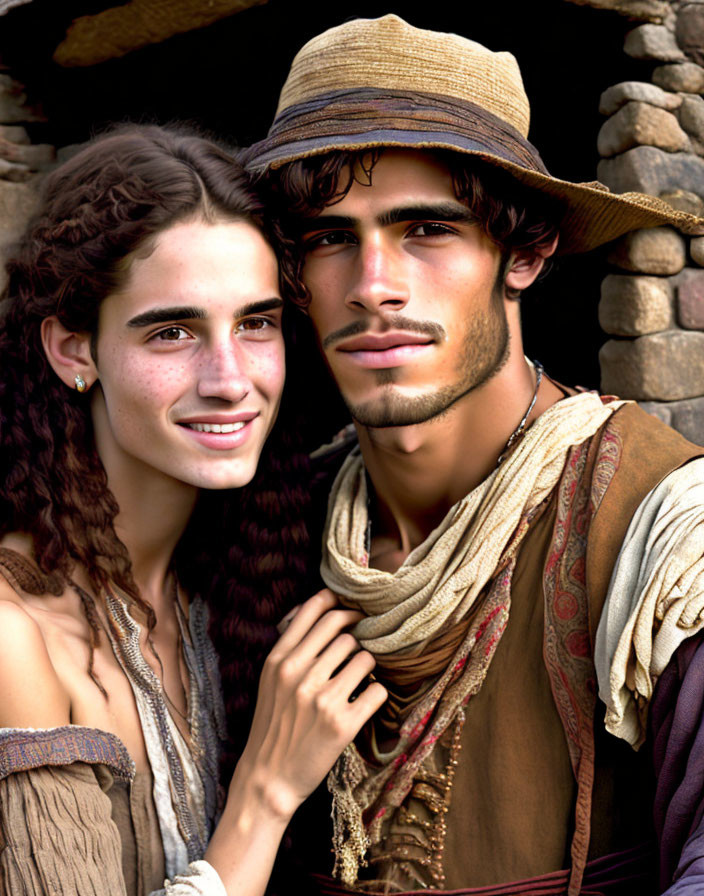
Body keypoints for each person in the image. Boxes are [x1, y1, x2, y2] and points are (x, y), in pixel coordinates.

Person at [244, 15, 704, 895]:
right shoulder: (274, 523)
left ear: (524, 251)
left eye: (426, 230)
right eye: (332, 237)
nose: (374, 284)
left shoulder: (663, 537)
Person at [0, 124, 386, 896]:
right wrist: (264, 798)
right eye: (172, 331)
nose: (230, 379)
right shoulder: (15, 639)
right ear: (74, 351)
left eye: (256, 323)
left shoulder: (228, 591)